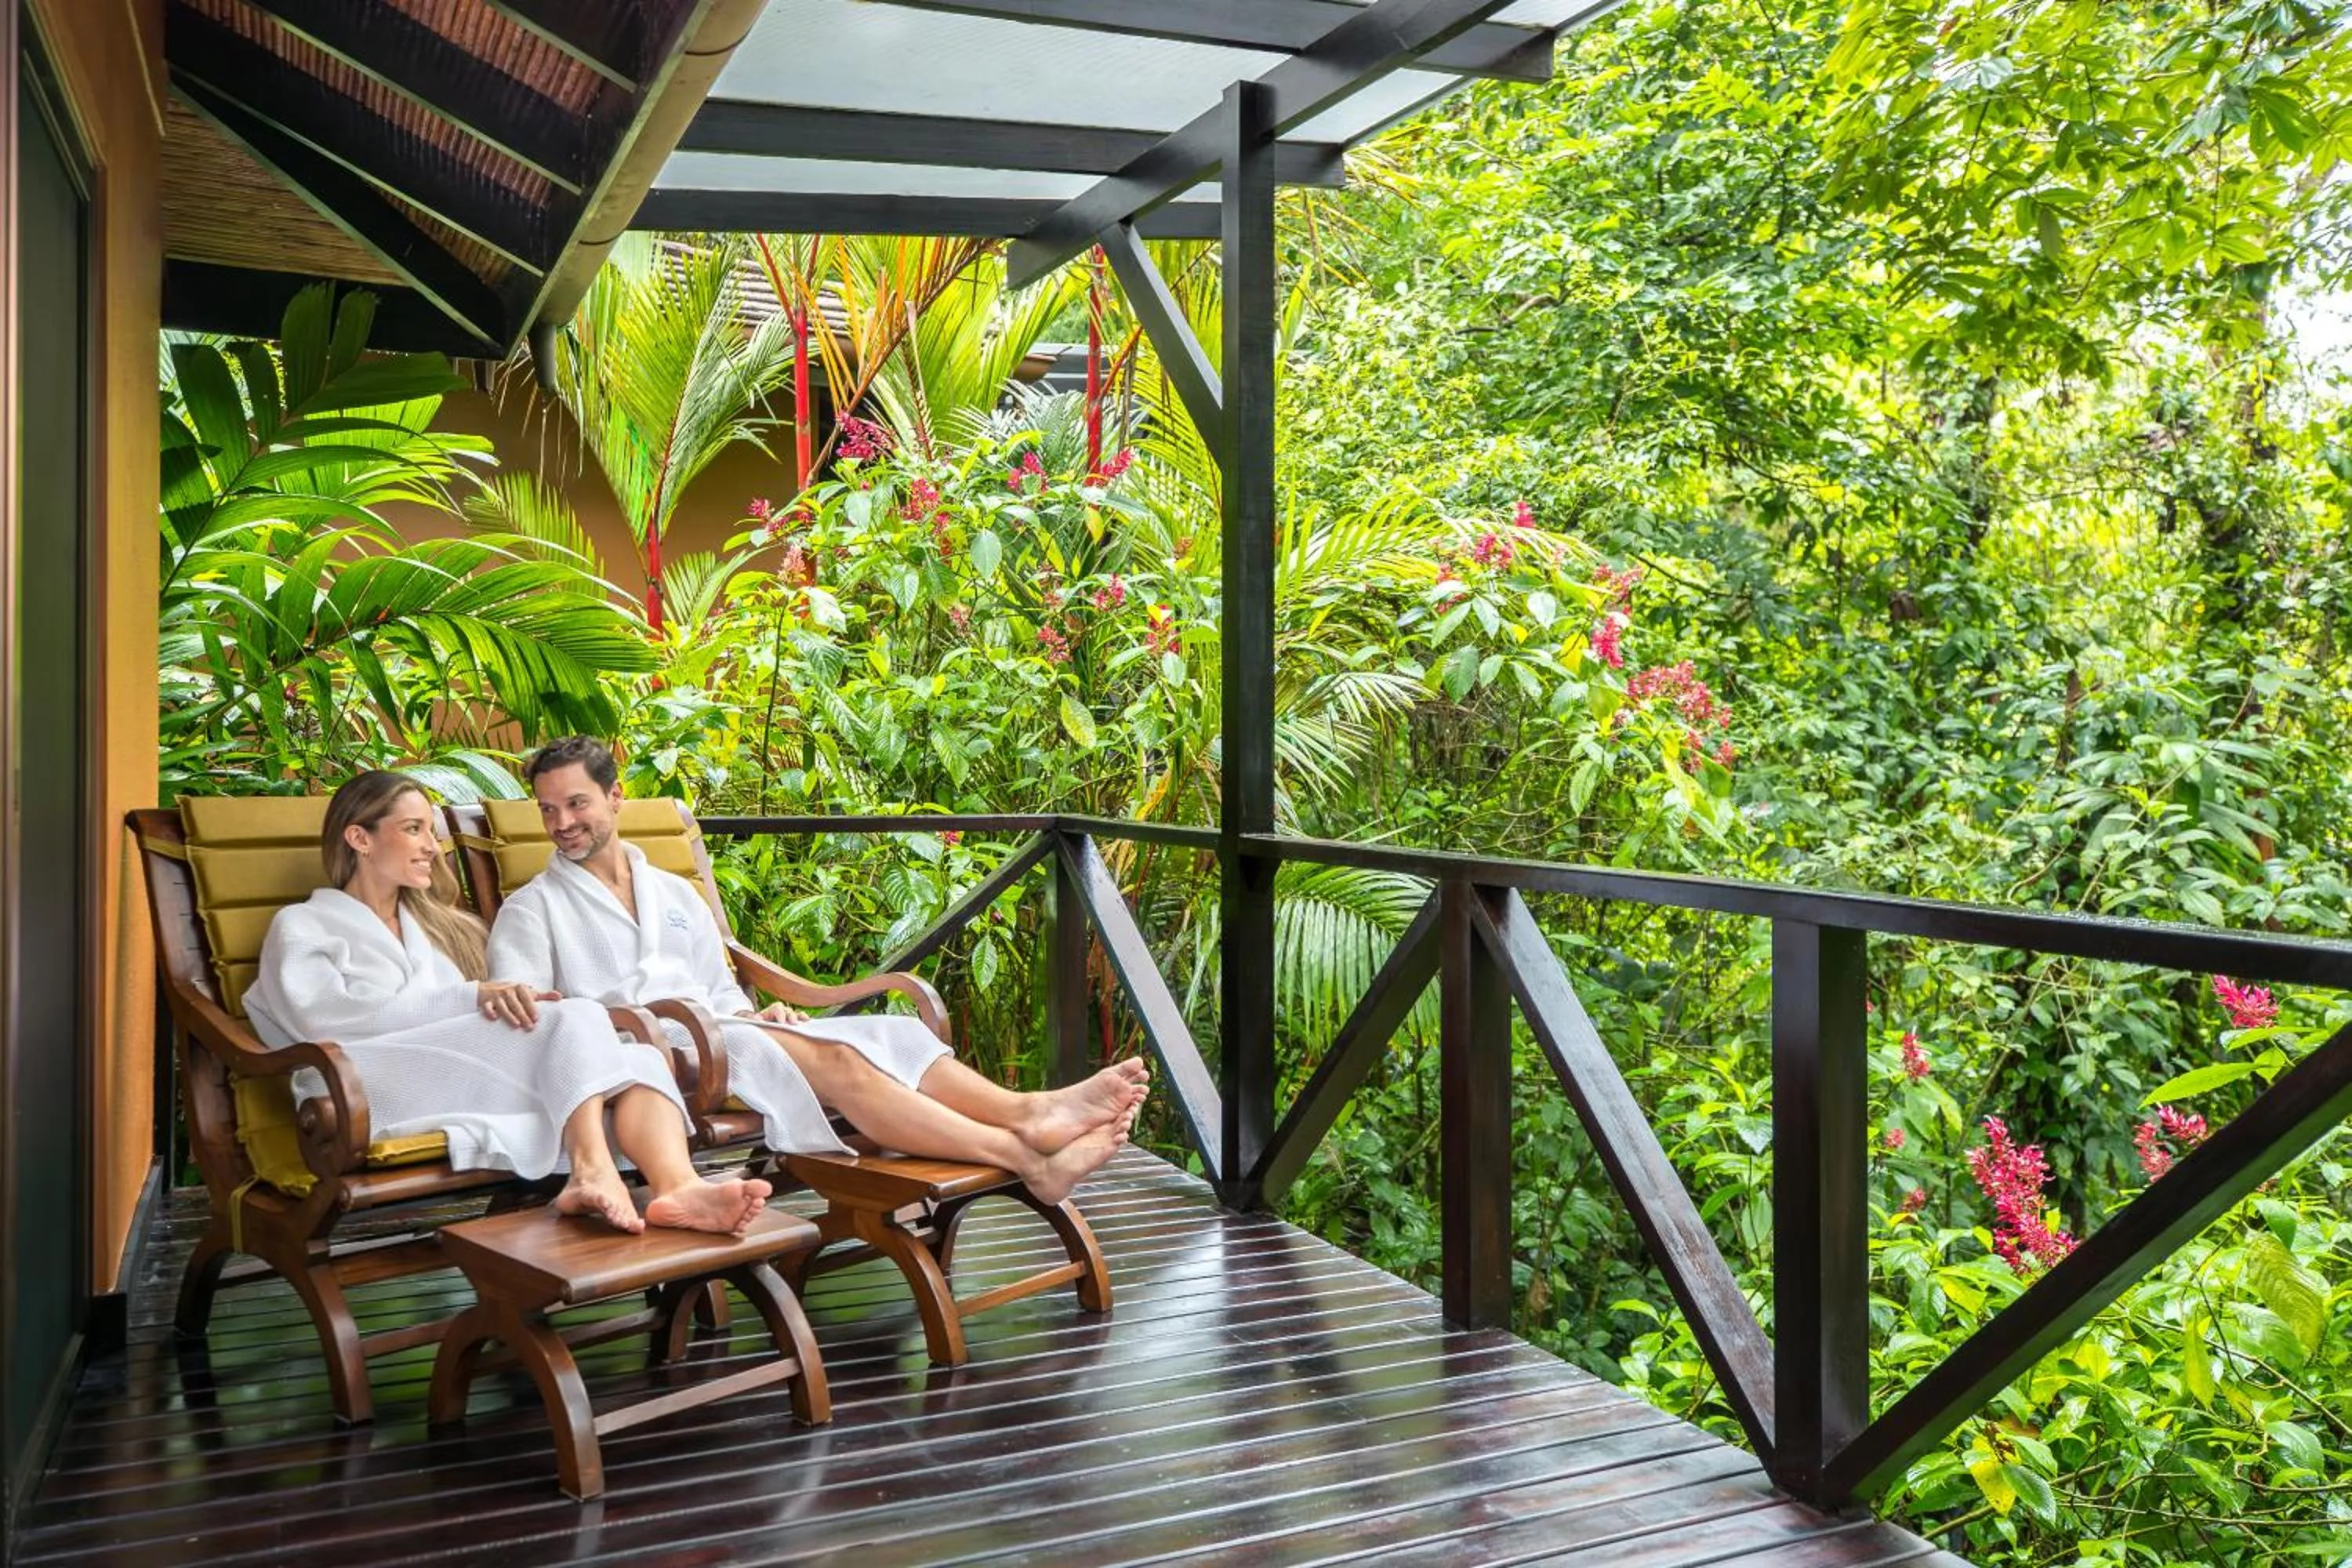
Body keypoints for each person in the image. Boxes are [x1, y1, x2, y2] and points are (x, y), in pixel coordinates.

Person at [485, 737, 1147, 1207]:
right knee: (845, 1064)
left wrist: (755, 1013)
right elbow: (533, 1008)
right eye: (547, 811)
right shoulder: (531, 907)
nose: (562, 824)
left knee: (889, 1034)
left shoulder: (671, 892)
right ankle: (1027, 1152)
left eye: (576, 805)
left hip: (720, 1031)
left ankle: (1031, 1113)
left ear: (615, 798)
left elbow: (718, 987)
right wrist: (504, 990)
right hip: (656, 1058)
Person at [243, 770, 771, 1237]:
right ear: (359, 837)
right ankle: (591, 1170)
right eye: (413, 829)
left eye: (432, 829)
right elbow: (322, 1018)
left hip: (437, 1071)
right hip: (357, 1086)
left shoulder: (425, 932)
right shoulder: (305, 925)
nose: (433, 845)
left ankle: (678, 1188)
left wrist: (508, 1004)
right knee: (579, 1015)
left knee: (634, 1057)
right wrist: (474, 996)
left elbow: (452, 1020)